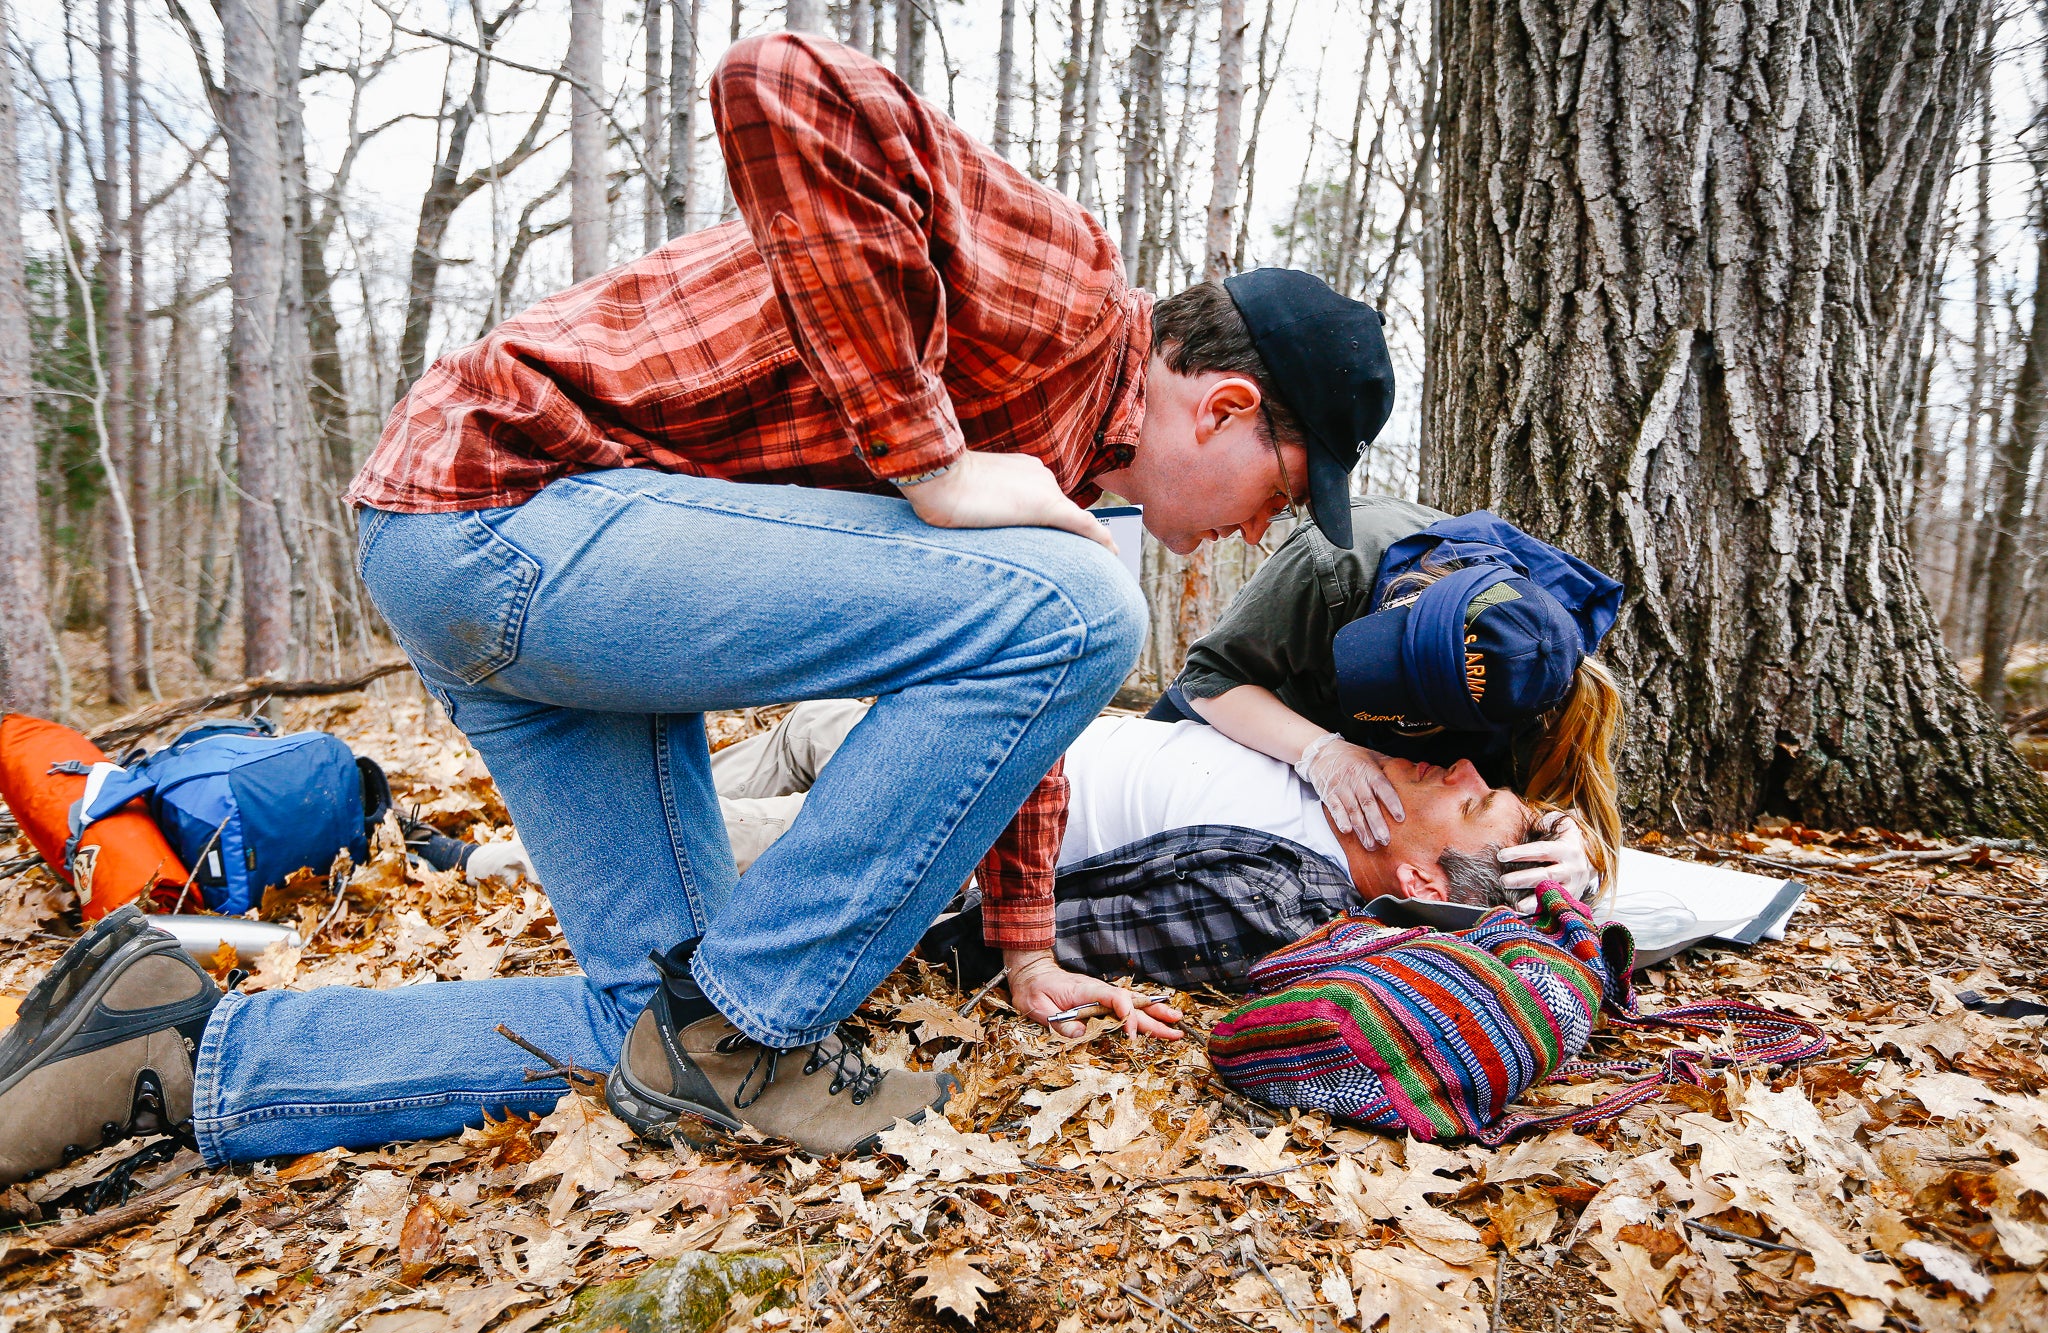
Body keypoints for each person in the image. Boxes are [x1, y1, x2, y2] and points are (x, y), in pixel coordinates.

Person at [0, 33, 1400, 1177]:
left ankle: (177, 1050)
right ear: (1223, 407)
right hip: (511, 513)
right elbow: (784, 82)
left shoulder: (1063, 493)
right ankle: (752, 1033)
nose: (1261, 532)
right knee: (1080, 608)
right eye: (1281, 490)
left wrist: (1026, 946)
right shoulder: (1076, 291)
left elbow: (1012, 723)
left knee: (654, 1025)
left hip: (539, 583)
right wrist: (929, 462)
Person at [1151, 497, 1627, 905]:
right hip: (1258, 717)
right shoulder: (1338, 556)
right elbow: (1208, 679)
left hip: (1388, 831)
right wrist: (1320, 751)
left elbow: (1540, 812)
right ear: (1422, 590)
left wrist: (1576, 846)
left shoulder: (1531, 691)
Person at [702, 700, 1537, 904]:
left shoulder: (1292, 887)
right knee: (810, 725)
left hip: (954, 820)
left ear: (1425, 883)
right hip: (992, 731)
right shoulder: (1346, 764)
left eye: (1474, 801)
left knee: (703, 836)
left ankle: (597, 843)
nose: (1464, 767)